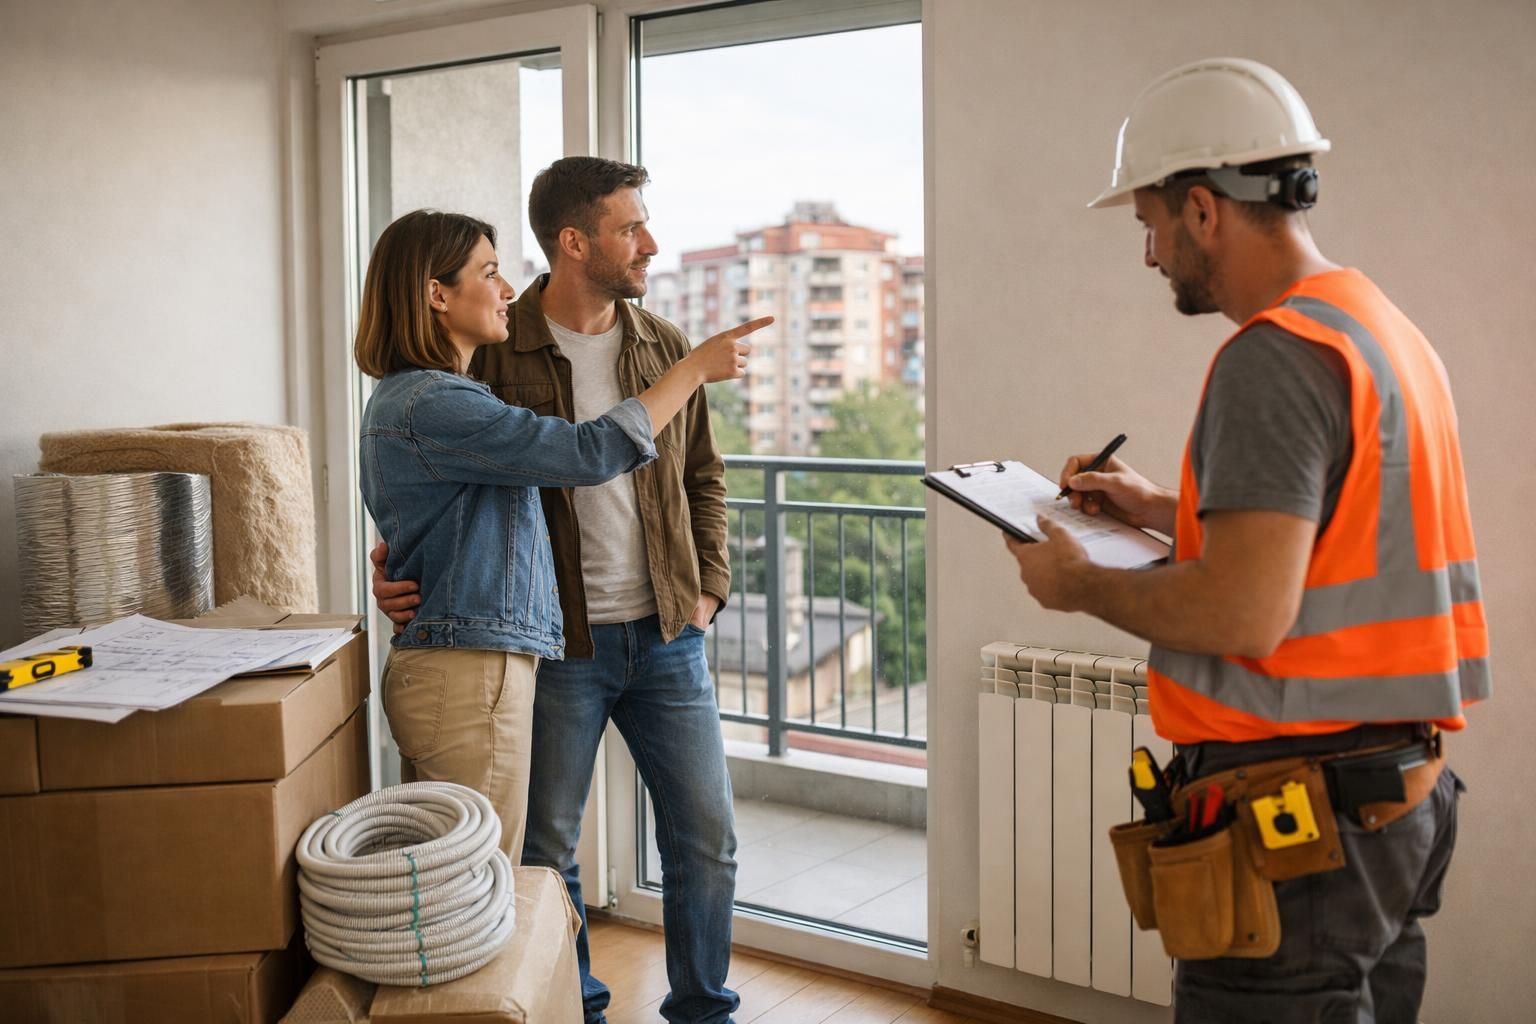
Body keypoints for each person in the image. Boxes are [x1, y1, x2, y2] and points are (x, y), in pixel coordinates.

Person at [1005, 59, 1487, 1022]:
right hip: (1394, 802)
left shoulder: (1271, 355)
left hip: (1300, 826)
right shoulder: (1373, 327)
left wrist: (1076, 585)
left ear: (1202, 210)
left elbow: (1241, 611)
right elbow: (1338, 539)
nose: (1149, 256)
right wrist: (1159, 510)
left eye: (1149, 226)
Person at [371, 160, 764, 1024]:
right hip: (555, 644)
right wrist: (401, 557)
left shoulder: (659, 342)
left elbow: (704, 476)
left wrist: (707, 592)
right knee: (546, 850)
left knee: (707, 841)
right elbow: (465, 468)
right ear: (575, 241)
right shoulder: (488, 346)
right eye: (631, 228)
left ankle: (704, 1011)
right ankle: (574, 1006)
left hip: (667, 632)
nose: (649, 243)